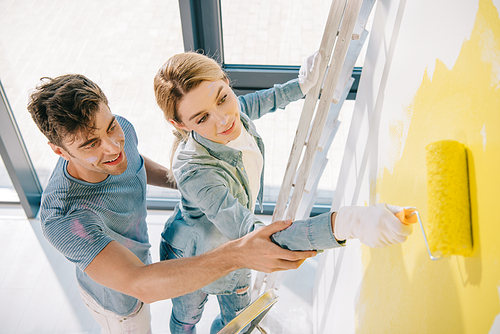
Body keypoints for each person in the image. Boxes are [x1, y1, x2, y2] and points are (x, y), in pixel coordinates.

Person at [27, 74, 319, 334]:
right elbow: (139, 283)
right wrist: (240, 254)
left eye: (111, 126)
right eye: (91, 144)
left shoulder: (121, 131)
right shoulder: (63, 219)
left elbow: (135, 164)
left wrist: (185, 181)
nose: (114, 145)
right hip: (119, 300)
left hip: (142, 258)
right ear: (58, 150)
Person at [153, 51, 414, 334]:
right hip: (188, 257)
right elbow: (248, 233)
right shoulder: (193, 171)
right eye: (202, 118)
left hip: (234, 258)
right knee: (185, 320)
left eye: (222, 98)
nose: (223, 120)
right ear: (179, 125)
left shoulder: (231, 115)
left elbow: (261, 101)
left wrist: (301, 85)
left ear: (226, 83)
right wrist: (349, 223)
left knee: (236, 324)